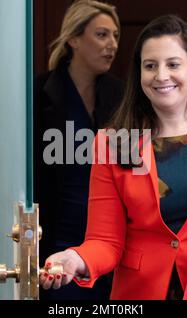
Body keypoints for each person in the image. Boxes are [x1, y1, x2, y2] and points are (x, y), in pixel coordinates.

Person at [39, 14, 187, 300]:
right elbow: (105, 241)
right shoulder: (112, 143)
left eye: (173, 64)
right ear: (139, 74)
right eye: (150, 66)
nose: (161, 75)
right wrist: (76, 258)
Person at [34, 0, 124, 300]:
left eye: (115, 36)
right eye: (101, 35)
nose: (111, 44)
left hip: (109, 240)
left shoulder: (120, 96)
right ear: (73, 38)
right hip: (58, 236)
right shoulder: (38, 93)